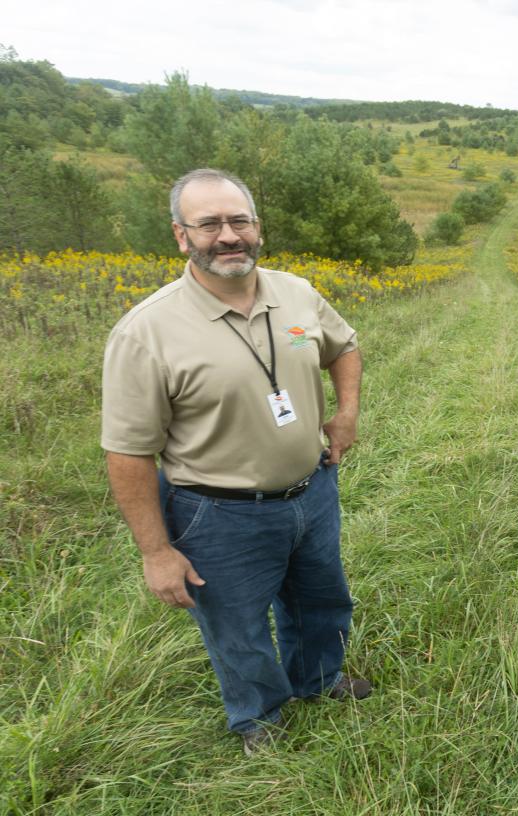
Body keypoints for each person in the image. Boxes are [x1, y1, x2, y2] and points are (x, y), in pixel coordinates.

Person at [101, 168, 370, 756]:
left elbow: (343, 346)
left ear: (257, 227)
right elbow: (127, 450)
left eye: (239, 221)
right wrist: (156, 551)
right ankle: (260, 717)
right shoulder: (147, 331)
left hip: (313, 491)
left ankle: (319, 679)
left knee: (323, 600)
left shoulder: (295, 293)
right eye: (209, 224)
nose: (228, 236)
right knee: (238, 628)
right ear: (181, 235)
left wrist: (345, 413)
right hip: (217, 514)